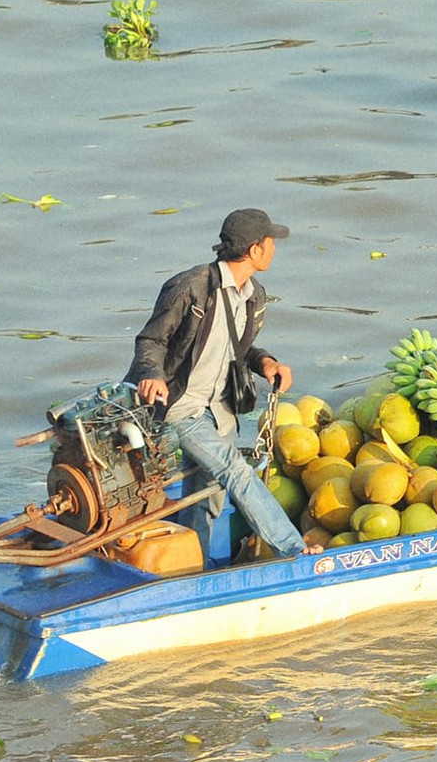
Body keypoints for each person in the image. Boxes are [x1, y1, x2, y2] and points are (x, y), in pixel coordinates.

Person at [126, 208, 309, 565]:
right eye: (270, 243)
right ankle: (294, 549)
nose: (274, 249)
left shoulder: (254, 296)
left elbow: (236, 347)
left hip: (219, 410)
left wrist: (266, 363)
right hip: (181, 406)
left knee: (207, 496)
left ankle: (195, 565)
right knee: (235, 470)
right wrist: (151, 374)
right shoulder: (191, 286)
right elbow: (152, 340)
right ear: (255, 250)